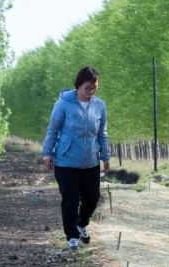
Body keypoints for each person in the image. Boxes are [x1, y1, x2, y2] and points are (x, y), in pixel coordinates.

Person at [42, 66, 111, 250]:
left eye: (95, 87)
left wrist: (105, 156)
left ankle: (81, 224)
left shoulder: (99, 106)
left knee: (92, 198)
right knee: (70, 199)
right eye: (88, 87)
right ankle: (71, 236)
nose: (91, 91)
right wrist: (48, 152)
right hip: (67, 161)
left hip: (91, 162)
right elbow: (53, 129)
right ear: (79, 85)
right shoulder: (63, 104)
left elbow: (102, 133)